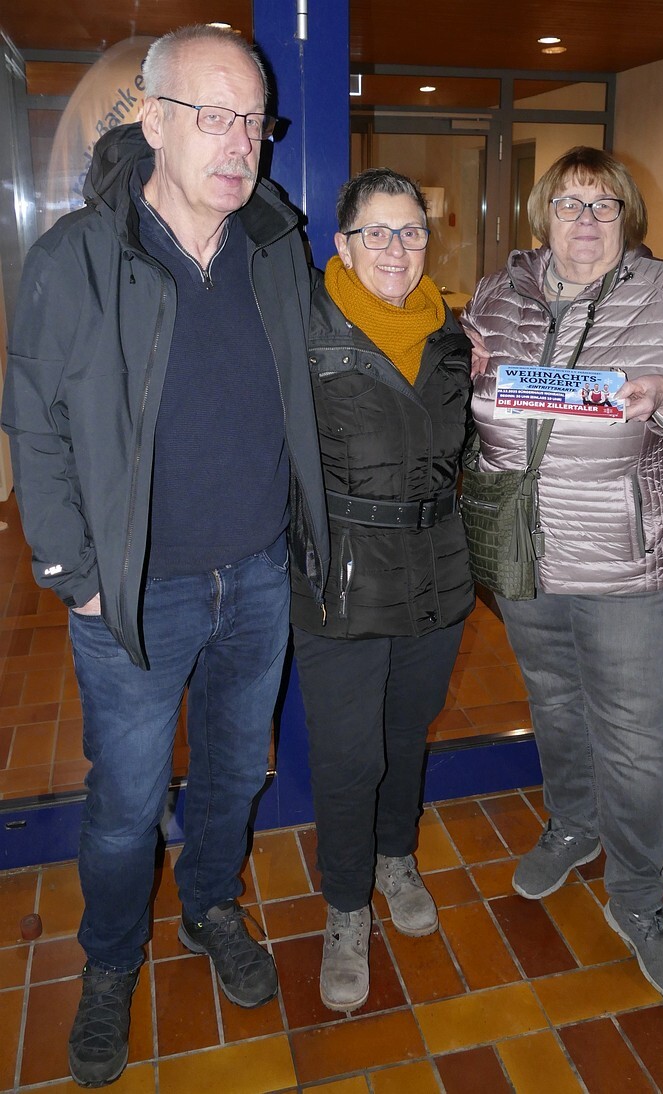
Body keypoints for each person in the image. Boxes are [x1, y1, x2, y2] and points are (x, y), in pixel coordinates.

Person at [2, 25, 328, 1088]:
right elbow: (34, 422)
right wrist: (74, 574)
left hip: (258, 576)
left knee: (235, 773)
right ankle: (108, 961)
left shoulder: (275, 246)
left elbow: (319, 376)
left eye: (254, 121)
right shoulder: (78, 257)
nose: (240, 143)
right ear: (151, 120)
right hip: (135, 593)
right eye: (213, 115)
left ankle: (211, 905)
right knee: (126, 803)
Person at [463, 146, 663, 1004]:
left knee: (630, 738)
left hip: (629, 561)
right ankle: (573, 825)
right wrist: (458, 367)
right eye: (569, 204)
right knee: (554, 705)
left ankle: (638, 897)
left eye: (603, 205)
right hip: (527, 551)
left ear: (627, 218)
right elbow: (465, 398)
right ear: (542, 216)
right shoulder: (497, 294)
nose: (585, 221)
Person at [290, 168, 474, 1012]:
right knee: (348, 754)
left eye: (411, 232)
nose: (396, 249)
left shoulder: (449, 335)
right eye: (377, 233)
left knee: (406, 732)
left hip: (436, 567)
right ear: (343, 244)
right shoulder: (304, 325)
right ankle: (345, 907)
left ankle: (395, 857)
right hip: (343, 575)